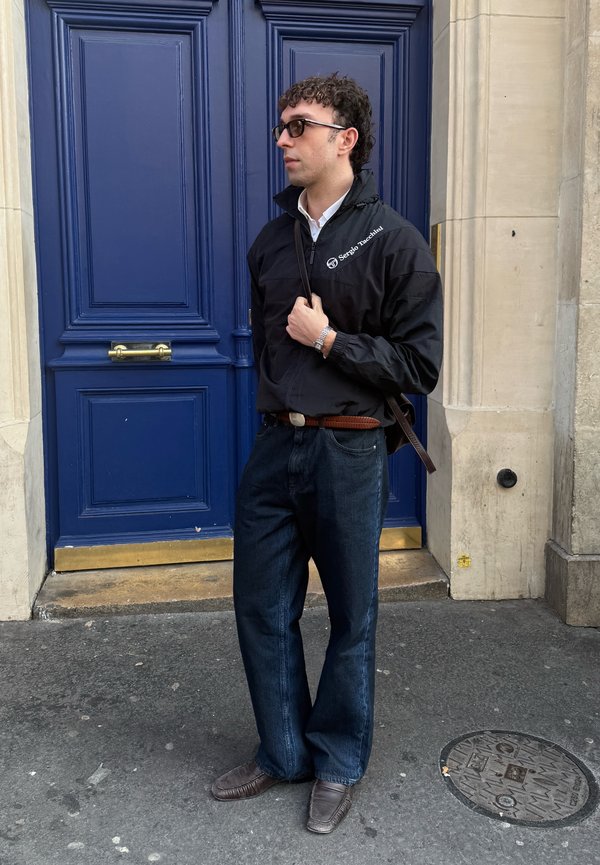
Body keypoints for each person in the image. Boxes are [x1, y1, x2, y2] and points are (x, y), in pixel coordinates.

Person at [211, 73, 443, 834]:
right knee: (262, 606)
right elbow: (265, 346)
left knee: (352, 615)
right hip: (277, 448)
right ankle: (283, 751)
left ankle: (337, 760)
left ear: (345, 138)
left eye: (298, 125)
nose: (282, 139)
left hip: (349, 453)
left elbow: (420, 367)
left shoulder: (396, 241)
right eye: (281, 126)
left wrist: (333, 342)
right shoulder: (270, 242)